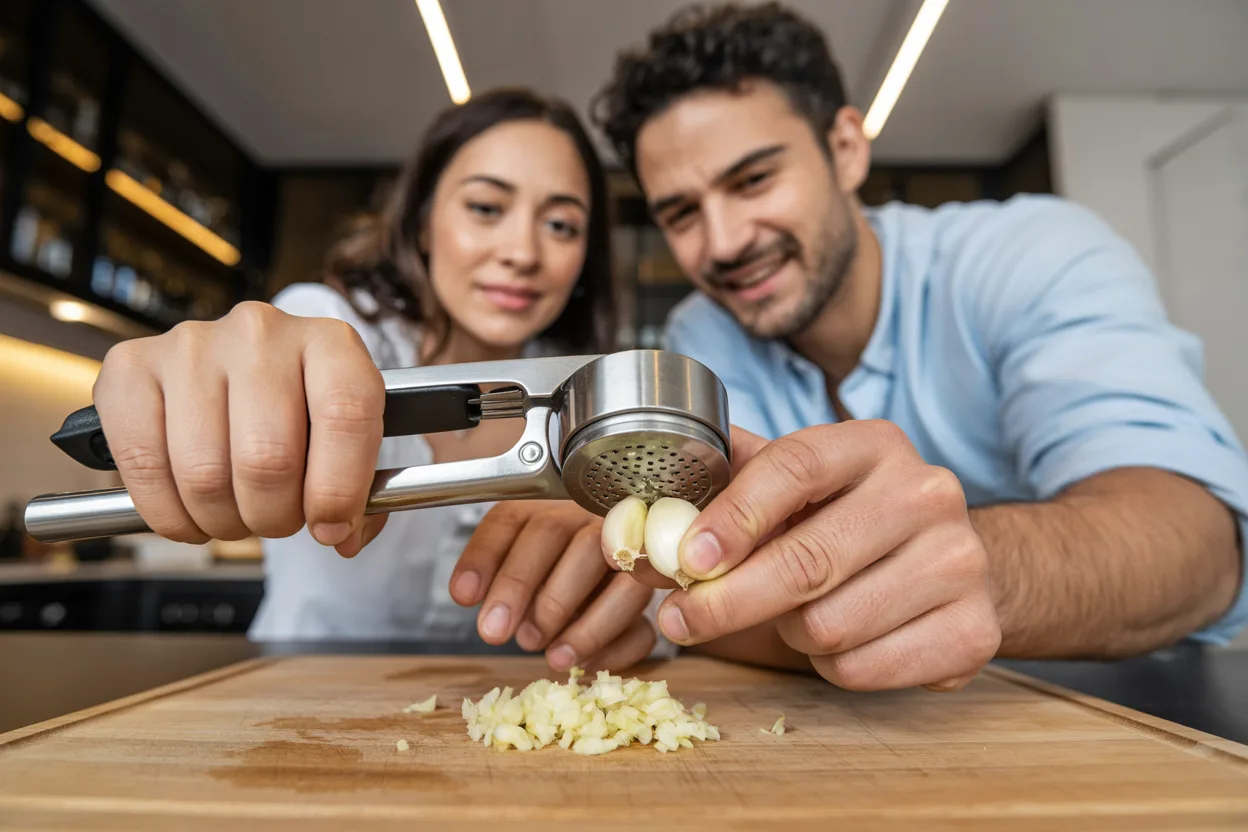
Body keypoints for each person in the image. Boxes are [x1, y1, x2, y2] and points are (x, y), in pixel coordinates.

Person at [458, 1, 1248, 691]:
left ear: (845, 148)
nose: (725, 242)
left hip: (1124, 707)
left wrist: (982, 568)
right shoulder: (704, 334)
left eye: (755, 179)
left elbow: (1200, 548)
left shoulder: (1033, 255)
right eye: (682, 212)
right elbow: (720, 600)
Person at [88, 88, 664, 671]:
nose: (523, 251)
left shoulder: (591, 403)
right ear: (420, 224)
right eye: (486, 208)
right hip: (291, 699)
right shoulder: (331, 326)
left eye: (562, 225)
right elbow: (268, 350)